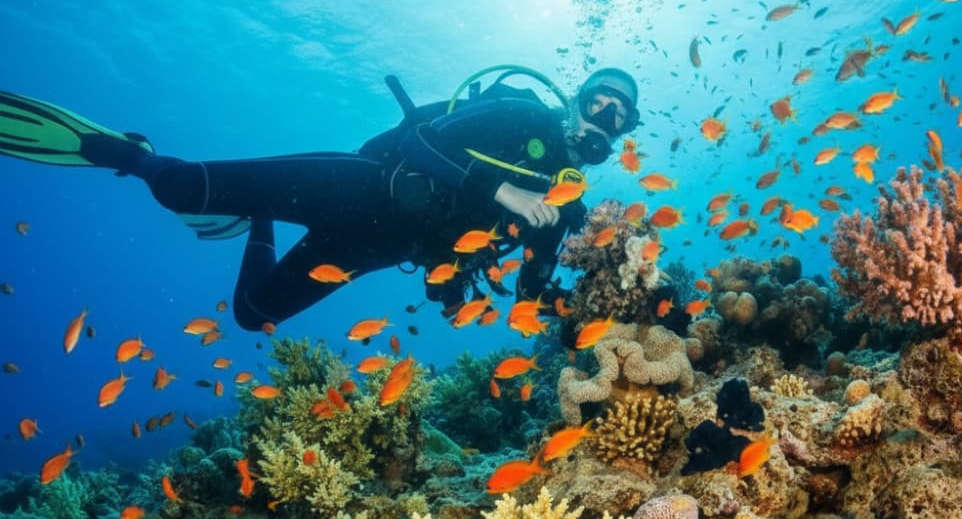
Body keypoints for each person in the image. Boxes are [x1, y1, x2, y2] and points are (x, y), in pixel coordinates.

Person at [0, 65, 640, 330]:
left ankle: (256, 221)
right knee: (180, 188)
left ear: (621, 135)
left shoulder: (569, 207)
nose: (601, 120)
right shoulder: (518, 118)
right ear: (574, 100)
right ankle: (124, 153)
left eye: (618, 118)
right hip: (359, 182)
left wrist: (568, 310)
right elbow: (418, 142)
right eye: (596, 103)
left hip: (374, 245)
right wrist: (498, 188)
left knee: (254, 315)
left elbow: (529, 293)